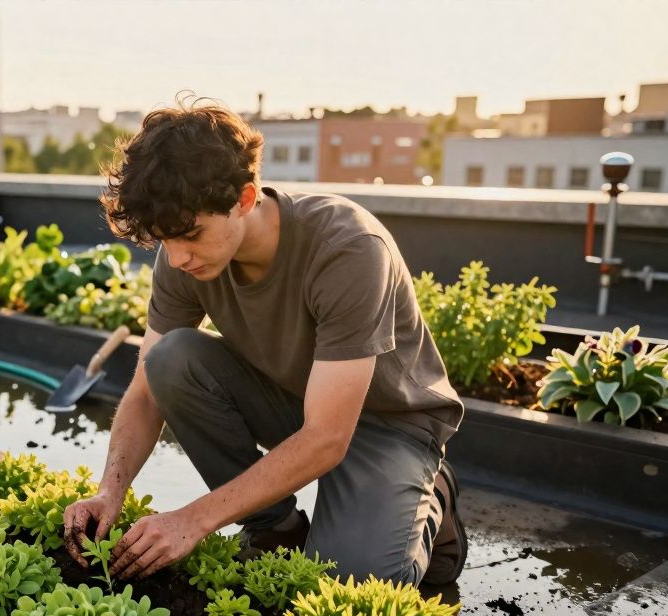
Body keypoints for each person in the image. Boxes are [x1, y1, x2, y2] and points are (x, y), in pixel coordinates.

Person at [61, 99, 467, 587]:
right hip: (296, 404)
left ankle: (430, 497)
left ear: (246, 198)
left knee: (352, 584)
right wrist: (110, 491)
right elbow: (147, 391)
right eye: (163, 240)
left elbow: (327, 438)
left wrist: (193, 519)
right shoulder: (182, 256)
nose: (178, 257)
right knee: (170, 361)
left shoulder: (347, 248)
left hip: (389, 425)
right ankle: (275, 528)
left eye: (191, 235)